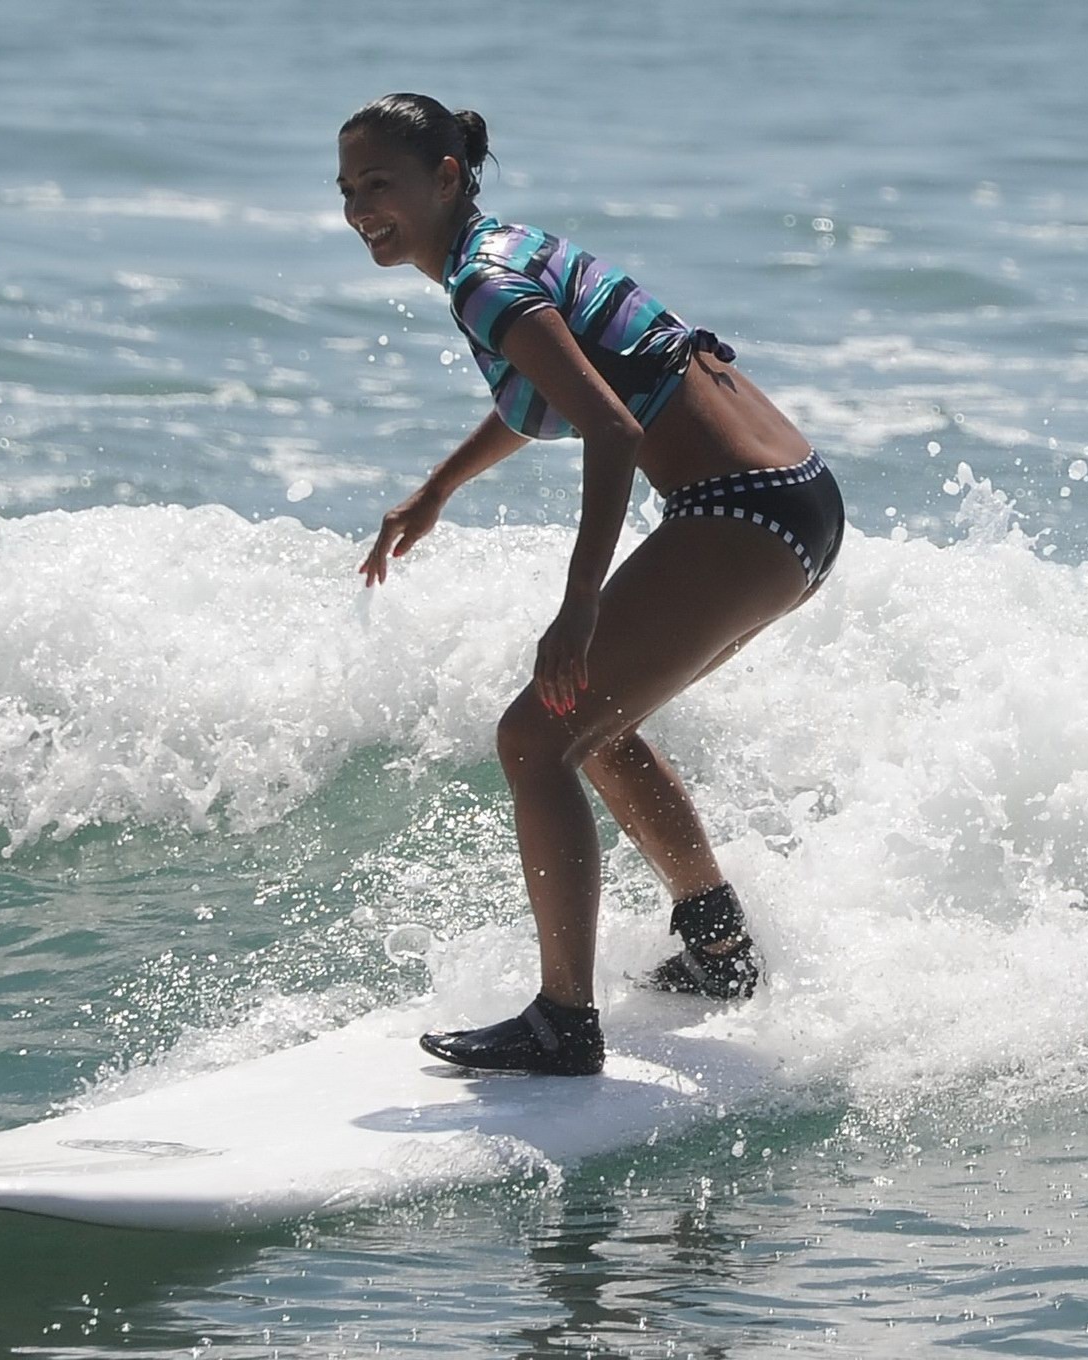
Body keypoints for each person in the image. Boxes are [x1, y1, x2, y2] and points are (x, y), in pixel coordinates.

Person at [339, 94, 845, 1076]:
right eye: (349, 190)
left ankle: (563, 1023)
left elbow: (610, 427)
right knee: (593, 726)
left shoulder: (484, 280)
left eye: (381, 185)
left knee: (534, 736)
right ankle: (719, 945)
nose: (362, 209)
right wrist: (436, 490)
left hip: (740, 511)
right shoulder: (505, 252)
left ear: (446, 176)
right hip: (795, 506)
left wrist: (580, 605)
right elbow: (555, 399)